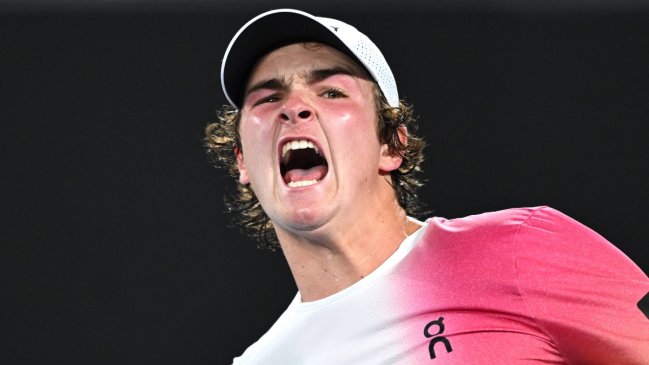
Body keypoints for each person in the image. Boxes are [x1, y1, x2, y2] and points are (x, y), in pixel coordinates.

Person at [205, 8, 649, 364]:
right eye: (268, 98)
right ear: (242, 159)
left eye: (332, 92)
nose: (295, 108)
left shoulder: (520, 248)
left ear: (391, 145)